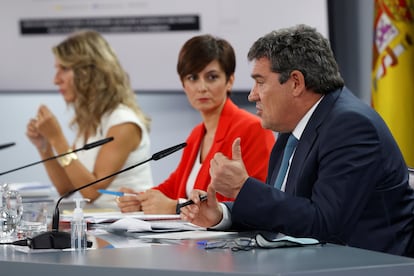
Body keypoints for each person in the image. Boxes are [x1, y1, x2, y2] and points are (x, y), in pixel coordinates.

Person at [180, 25, 414, 257]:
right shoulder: (294, 128)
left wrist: (243, 188)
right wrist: (221, 214)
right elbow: (286, 209)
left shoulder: (351, 126)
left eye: (260, 82)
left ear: (295, 83)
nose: (252, 95)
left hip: (368, 266)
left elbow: (325, 225)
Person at [117, 34, 275, 214]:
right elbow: (174, 186)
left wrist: (176, 208)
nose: (202, 87)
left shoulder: (252, 128)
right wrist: (140, 199)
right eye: (193, 78)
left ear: (229, 81)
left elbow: (257, 200)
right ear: (183, 84)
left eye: (212, 77)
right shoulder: (197, 133)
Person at [26, 30, 153, 208]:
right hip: (103, 226)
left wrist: (57, 138)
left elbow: (92, 192)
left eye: (64, 69)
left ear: (89, 72)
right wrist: (45, 146)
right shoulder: (92, 121)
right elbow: (66, 187)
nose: (56, 80)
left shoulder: (123, 123)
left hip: (130, 228)